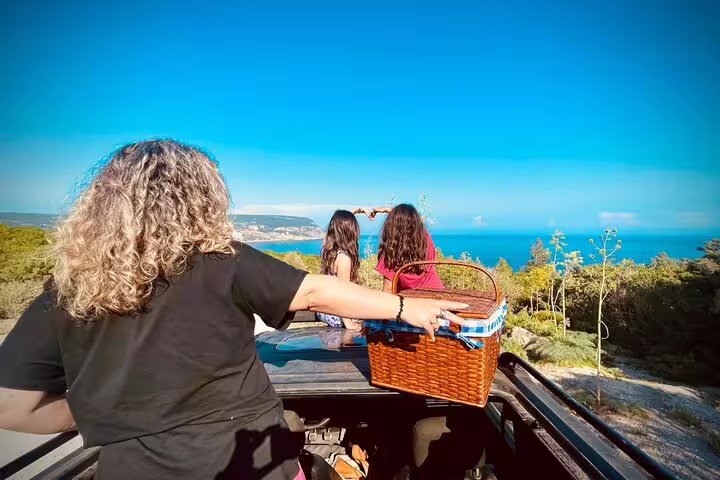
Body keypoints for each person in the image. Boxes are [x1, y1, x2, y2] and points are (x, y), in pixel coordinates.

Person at [0, 140, 466, 480]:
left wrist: (93, 411)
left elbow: (11, 405)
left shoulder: (69, 289)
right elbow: (315, 293)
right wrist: (404, 307)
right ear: (202, 201)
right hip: (250, 463)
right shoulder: (222, 261)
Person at [371, 204, 445, 293]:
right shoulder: (425, 239)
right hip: (438, 293)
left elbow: (388, 290)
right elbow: (412, 219)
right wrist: (388, 210)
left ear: (391, 227)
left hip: (411, 301)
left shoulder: (391, 253)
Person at [314, 210, 363, 330]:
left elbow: (330, 233)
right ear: (350, 231)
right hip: (337, 315)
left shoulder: (328, 249)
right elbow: (343, 294)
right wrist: (349, 323)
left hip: (324, 309)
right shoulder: (344, 259)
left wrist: (350, 214)